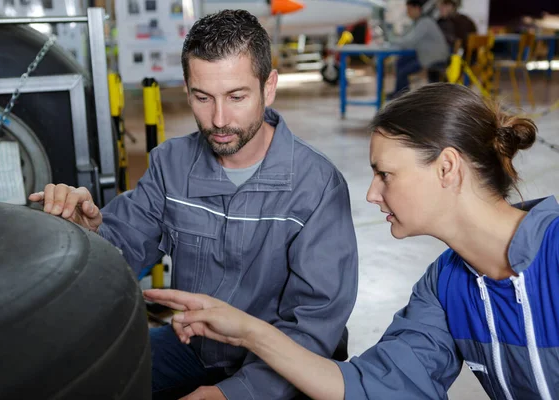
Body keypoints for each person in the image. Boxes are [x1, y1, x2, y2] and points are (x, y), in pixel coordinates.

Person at [145, 83, 559, 399]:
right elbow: (370, 386)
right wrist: (249, 332)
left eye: (385, 174)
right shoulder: (446, 287)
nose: (372, 193)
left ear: (447, 168)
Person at [29, 9, 359, 400]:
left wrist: (232, 394)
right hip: (199, 347)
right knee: (88, 382)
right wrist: (89, 231)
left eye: (236, 96)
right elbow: (124, 247)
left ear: (268, 87)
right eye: (203, 98)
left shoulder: (317, 186)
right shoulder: (172, 164)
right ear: (187, 90)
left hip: (287, 360)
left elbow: (314, 324)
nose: (219, 120)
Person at [388, 0, 450, 99]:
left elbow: (410, 41)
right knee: (401, 61)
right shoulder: (421, 21)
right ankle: (400, 93)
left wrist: (391, 40)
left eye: (409, 10)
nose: (407, 13)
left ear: (417, 9)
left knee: (403, 70)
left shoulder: (425, 22)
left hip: (434, 58)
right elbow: (411, 41)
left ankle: (401, 96)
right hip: (429, 55)